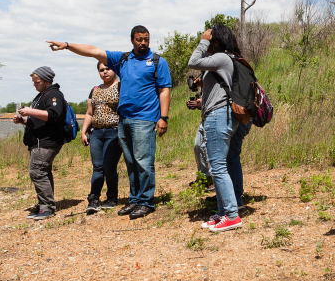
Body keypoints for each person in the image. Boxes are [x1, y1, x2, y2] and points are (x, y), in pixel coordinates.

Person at [47, 25, 172, 220]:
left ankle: (146, 201)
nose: (143, 43)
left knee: (144, 161)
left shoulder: (157, 61)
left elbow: (164, 90)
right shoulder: (122, 60)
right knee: (131, 162)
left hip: (145, 118)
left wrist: (163, 117)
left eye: (146, 39)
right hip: (125, 120)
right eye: (139, 39)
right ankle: (135, 199)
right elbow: (94, 51)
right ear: (132, 40)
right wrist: (67, 45)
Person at [187, 23, 249, 233]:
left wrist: (203, 41)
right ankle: (223, 213)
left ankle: (232, 215)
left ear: (216, 41)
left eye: (209, 38)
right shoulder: (222, 60)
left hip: (219, 115)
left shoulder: (223, 57)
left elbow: (193, 61)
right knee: (218, 165)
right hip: (217, 114)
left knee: (218, 167)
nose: (206, 40)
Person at [13, 66, 67, 221]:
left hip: (47, 142)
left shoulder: (54, 94)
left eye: (36, 81)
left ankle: (47, 207)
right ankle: (45, 204)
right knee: (43, 172)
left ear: (45, 80)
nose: (34, 84)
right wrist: (23, 120)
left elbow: (54, 116)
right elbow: (38, 120)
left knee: (37, 172)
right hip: (38, 141)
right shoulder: (41, 96)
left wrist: (29, 112)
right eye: (33, 81)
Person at [80, 61, 122, 214]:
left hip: (114, 131)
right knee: (97, 167)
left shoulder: (121, 87)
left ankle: (112, 197)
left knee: (109, 167)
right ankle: (94, 199)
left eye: (107, 69)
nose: (105, 72)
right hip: (96, 133)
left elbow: (125, 112)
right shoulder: (95, 90)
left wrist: (122, 134)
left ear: (114, 70)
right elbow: (89, 113)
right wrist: (84, 131)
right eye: (101, 70)